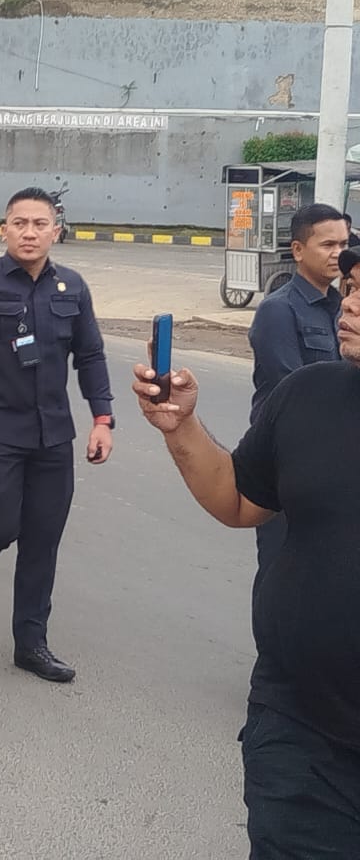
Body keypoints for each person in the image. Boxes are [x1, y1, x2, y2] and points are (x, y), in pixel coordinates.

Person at [131, 290, 360, 858]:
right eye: (353, 287)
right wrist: (180, 428)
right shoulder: (309, 393)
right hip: (302, 735)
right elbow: (237, 499)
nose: (349, 306)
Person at [0, 186, 113, 683]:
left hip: (53, 433)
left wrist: (102, 418)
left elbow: (91, 356)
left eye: (39, 224)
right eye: (20, 224)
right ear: (3, 230)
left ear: (56, 230)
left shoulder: (72, 288)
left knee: (42, 538)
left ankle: (31, 643)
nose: (29, 233)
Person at [245, 203, 346, 596]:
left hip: (330, 461)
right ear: (299, 250)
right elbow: (293, 392)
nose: (337, 253)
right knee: (281, 571)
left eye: (343, 244)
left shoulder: (341, 307)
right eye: (327, 245)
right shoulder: (278, 311)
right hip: (286, 464)